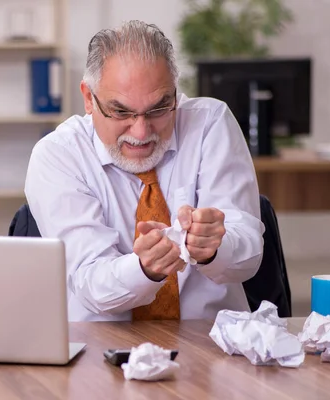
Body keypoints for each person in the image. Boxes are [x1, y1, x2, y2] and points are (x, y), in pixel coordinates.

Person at [24, 20, 264, 322]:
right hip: (101, 349)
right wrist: (144, 269)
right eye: (121, 112)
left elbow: (250, 258)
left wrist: (215, 248)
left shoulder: (209, 125)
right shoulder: (58, 154)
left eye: (159, 109)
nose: (141, 131)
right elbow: (90, 282)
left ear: (175, 94)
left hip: (212, 342)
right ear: (88, 98)